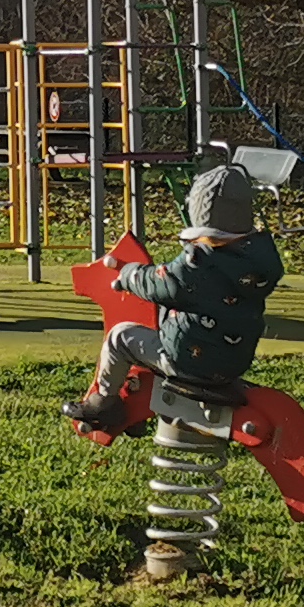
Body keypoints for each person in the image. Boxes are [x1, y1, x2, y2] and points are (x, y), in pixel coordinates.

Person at [68, 156, 281, 425]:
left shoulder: (199, 263)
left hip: (189, 359)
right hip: (233, 362)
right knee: (164, 327)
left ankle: (103, 405)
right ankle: (136, 407)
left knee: (121, 339)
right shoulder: (260, 261)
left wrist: (128, 274)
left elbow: (163, 284)